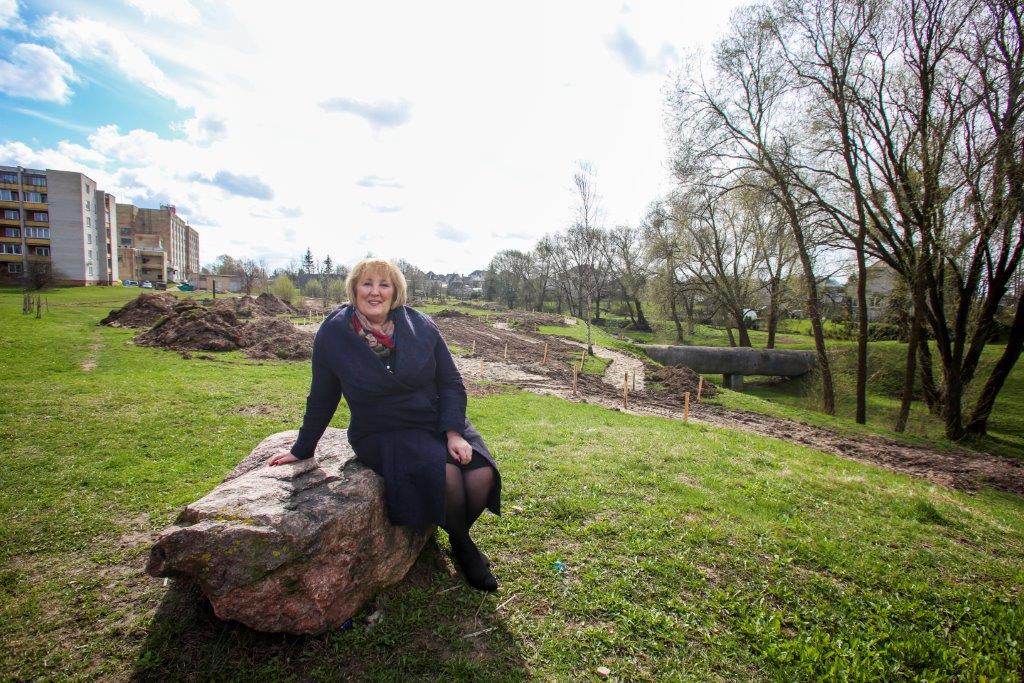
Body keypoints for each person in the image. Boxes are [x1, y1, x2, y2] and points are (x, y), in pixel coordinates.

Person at [268, 258, 500, 592]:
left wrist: (453, 433)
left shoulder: (421, 325)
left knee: (481, 474)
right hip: (383, 429)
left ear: (395, 292)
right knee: (447, 476)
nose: (374, 292)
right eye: (367, 283)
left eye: (384, 284)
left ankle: (454, 530)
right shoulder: (334, 333)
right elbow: (323, 395)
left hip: (434, 418)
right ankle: (464, 546)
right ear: (354, 289)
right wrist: (303, 448)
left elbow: (450, 382)